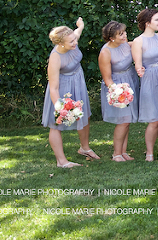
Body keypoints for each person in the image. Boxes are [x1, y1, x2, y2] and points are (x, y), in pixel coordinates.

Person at [42, 17, 98, 168]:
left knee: (84, 114)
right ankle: (61, 161)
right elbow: (53, 87)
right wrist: (59, 107)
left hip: (78, 82)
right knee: (55, 125)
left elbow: (78, 31)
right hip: (62, 89)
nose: (75, 42)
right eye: (71, 41)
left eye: (74, 39)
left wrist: (80, 25)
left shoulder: (72, 39)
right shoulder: (55, 58)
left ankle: (84, 148)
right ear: (60, 43)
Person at [132, 9, 158, 161]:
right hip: (150, 80)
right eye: (157, 20)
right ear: (147, 23)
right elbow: (138, 64)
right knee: (154, 120)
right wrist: (139, 69)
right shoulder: (138, 41)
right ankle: (149, 152)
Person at [98, 21, 139, 162]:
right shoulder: (105, 52)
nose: (125, 35)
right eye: (120, 34)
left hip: (130, 79)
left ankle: (123, 151)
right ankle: (116, 154)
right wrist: (118, 92)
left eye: (124, 32)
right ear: (111, 38)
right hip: (116, 86)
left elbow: (141, 43)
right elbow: (107, 78)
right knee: (123, 120)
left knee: (127, 120)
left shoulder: (125, 44)